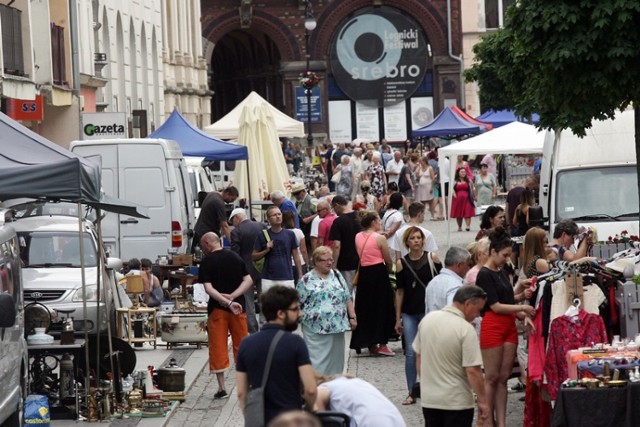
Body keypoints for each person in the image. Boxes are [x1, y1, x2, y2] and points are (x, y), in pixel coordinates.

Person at [476, 227, 535, 427]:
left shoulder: (501, 271)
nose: (507, 259)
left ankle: (501, 422)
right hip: (493, 324)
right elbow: (495, 306)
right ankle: (487, 421)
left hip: (508, 324)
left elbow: (506, 299)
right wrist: (522, 308)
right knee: (491, 377)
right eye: (505, 255)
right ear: (493, 252)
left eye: (508, 255)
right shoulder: (484, 274)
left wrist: (521, 312)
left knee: (503, 378)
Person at [236, 286, 317, 425]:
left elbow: (241, 393)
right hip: (291, 420)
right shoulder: (296, 343)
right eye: (295, 309)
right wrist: (308, 412)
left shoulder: (246, 344)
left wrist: (252, 417)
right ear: (280, 313)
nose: (300, 314)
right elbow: (310, 389)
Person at [413, 286, 490, 427]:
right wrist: (483, 401)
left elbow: (419, 356)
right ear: (467, 304)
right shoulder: (465, 329)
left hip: (430, 400)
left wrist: (426, 384)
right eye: (478, 310)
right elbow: (472, 370)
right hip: (456, 402)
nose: (479, 315)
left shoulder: (428, 320)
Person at [199, 232, 252, 399]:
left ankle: (222, 388)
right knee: (242, 345)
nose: (202, 249)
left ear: (207, 244)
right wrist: (233, 296)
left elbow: (209, 289)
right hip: (239, 308)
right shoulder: (235, 257)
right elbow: (248, 280)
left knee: (218, 347)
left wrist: (226, 301)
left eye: (202, 246)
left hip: (217, 310)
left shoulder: (207, 262)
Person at [395, 226, 442, 406]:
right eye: (412, 238)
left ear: (423, 240)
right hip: (409, 312)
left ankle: (432, 389)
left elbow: (441, 281)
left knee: (430, 351)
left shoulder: (432, 258)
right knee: (410, 353)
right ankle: (411, 391)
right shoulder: (401, 263)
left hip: (429, 311)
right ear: (407, 242)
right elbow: (399, 292)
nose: (416, 241)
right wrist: (397, 317)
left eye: (418, 238)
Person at [296, 247, 356, 375]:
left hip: (337, 326)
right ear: (316, 261)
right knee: (316, 360)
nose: (329, 263)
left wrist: (352, 317)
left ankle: (334, 386)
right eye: (325, 260)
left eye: (331, 260)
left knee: (336, 361)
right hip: (314, 327)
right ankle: (316, 386)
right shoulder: (306, 280)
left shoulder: (337, 275)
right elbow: (296, 302)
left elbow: (347, 297)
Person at [350, 211, 396, 356]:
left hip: (364, 272)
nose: (380, 223)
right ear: (373, 223)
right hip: (378, 272)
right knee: (383, 306)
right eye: (378, 221)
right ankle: (382, 342)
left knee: (366, 308)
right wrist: (390, 270)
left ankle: (370, 342)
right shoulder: (380, 238)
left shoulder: (357, 236)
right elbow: (388, 259)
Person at [314, 374, 406, 427]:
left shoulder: (320, 390)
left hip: (372, 422)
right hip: (394, 419)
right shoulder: (346, 381)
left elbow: (320, 420)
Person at [230, 207, 266, 334]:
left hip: (246, 272)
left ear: (237, 218)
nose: (232, 224)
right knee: (264, 299)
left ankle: (252, 330)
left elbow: (235, 255)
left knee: (248, 301)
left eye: (232, 221)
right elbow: (268, 243)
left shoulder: (236, 232)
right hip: (262, 268)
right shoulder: (262, 226)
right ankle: (264, 327)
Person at [253, 206, 302, 293]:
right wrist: (266, 250)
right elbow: (254, 256)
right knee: (269, 305)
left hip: (287, 277)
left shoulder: (290, 234)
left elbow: (296, 255)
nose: (278, 216)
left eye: (279, 214)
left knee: (288, 304)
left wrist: (300, 274)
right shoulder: (263, 235)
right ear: (268, 219)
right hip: (268, 278)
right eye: (274, 215)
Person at [328, 196, 362, 292]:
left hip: (346, 262)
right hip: (362, 260)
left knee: (347, 291)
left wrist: (333, 264)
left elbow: (336, 245)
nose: (334, 211)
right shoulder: (359, 217)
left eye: (333, 208)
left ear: (337, 205)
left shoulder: (338, 221)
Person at [425, 246, 472, 314]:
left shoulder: (432, 282)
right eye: (468, 264)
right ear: (459, 265)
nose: (469, 268)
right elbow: (454, 314)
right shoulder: (455, 286)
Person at [282, 210, 309, 284]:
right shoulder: (299, 232)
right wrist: (307, 264)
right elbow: (303, 250)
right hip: (300, 262)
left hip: (286, 263)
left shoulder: (281, 233)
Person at [450, 167, 476, 232]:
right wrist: (453, 193)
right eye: (461, 172)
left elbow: (473, 188)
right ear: (458, 173)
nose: (463, 173)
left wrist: (474, 196)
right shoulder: (455, 181)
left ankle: (468, 226)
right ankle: (459, 226)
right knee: (458, 213)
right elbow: (451, 188)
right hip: (457, 200)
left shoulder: (469, 180)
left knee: (467, 212)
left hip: (467, 199)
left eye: (464, 172)